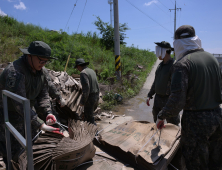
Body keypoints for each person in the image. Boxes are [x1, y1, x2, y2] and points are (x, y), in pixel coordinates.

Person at [156, 25, 222, 169]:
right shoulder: (213, 59)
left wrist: (162, 116)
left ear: (178, 42)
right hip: (217, 117)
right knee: (215, 161)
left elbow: (177, 100)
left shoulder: (183, 64)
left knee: (195, 163)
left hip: (196, 122)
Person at [0, 41, 63, 166]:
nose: (43, 64)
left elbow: (43, 94)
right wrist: (39, 124)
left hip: (29, 112)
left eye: (46, 61)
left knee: (33, 145)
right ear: (29, 56)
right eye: (41, 60)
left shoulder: (42, 72)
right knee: (14, 153)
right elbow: (19, 103)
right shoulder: (15, 72)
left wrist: (47, 112)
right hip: (9, 115)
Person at [147, 41, 180, 126]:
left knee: (172, 125)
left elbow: (178, 89)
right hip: (158, 99)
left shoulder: (174, 66)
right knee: (157, 123)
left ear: (164, 51)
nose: (156, 53)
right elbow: (156, 81)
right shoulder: (160, 65)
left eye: (158, 51)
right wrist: (149, 95)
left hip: (169, 101)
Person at [74, 58, 99, 124]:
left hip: (90, 98)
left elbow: (86, 89)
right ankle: (92, 132)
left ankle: (95, 133)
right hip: (96, 96)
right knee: (90, 115)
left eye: (77, 67)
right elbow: (96, 84)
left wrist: (82, 101)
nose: (77, 69)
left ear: (78, 66)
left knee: (89, 118)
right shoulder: (92, 71)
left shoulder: (83, 73)